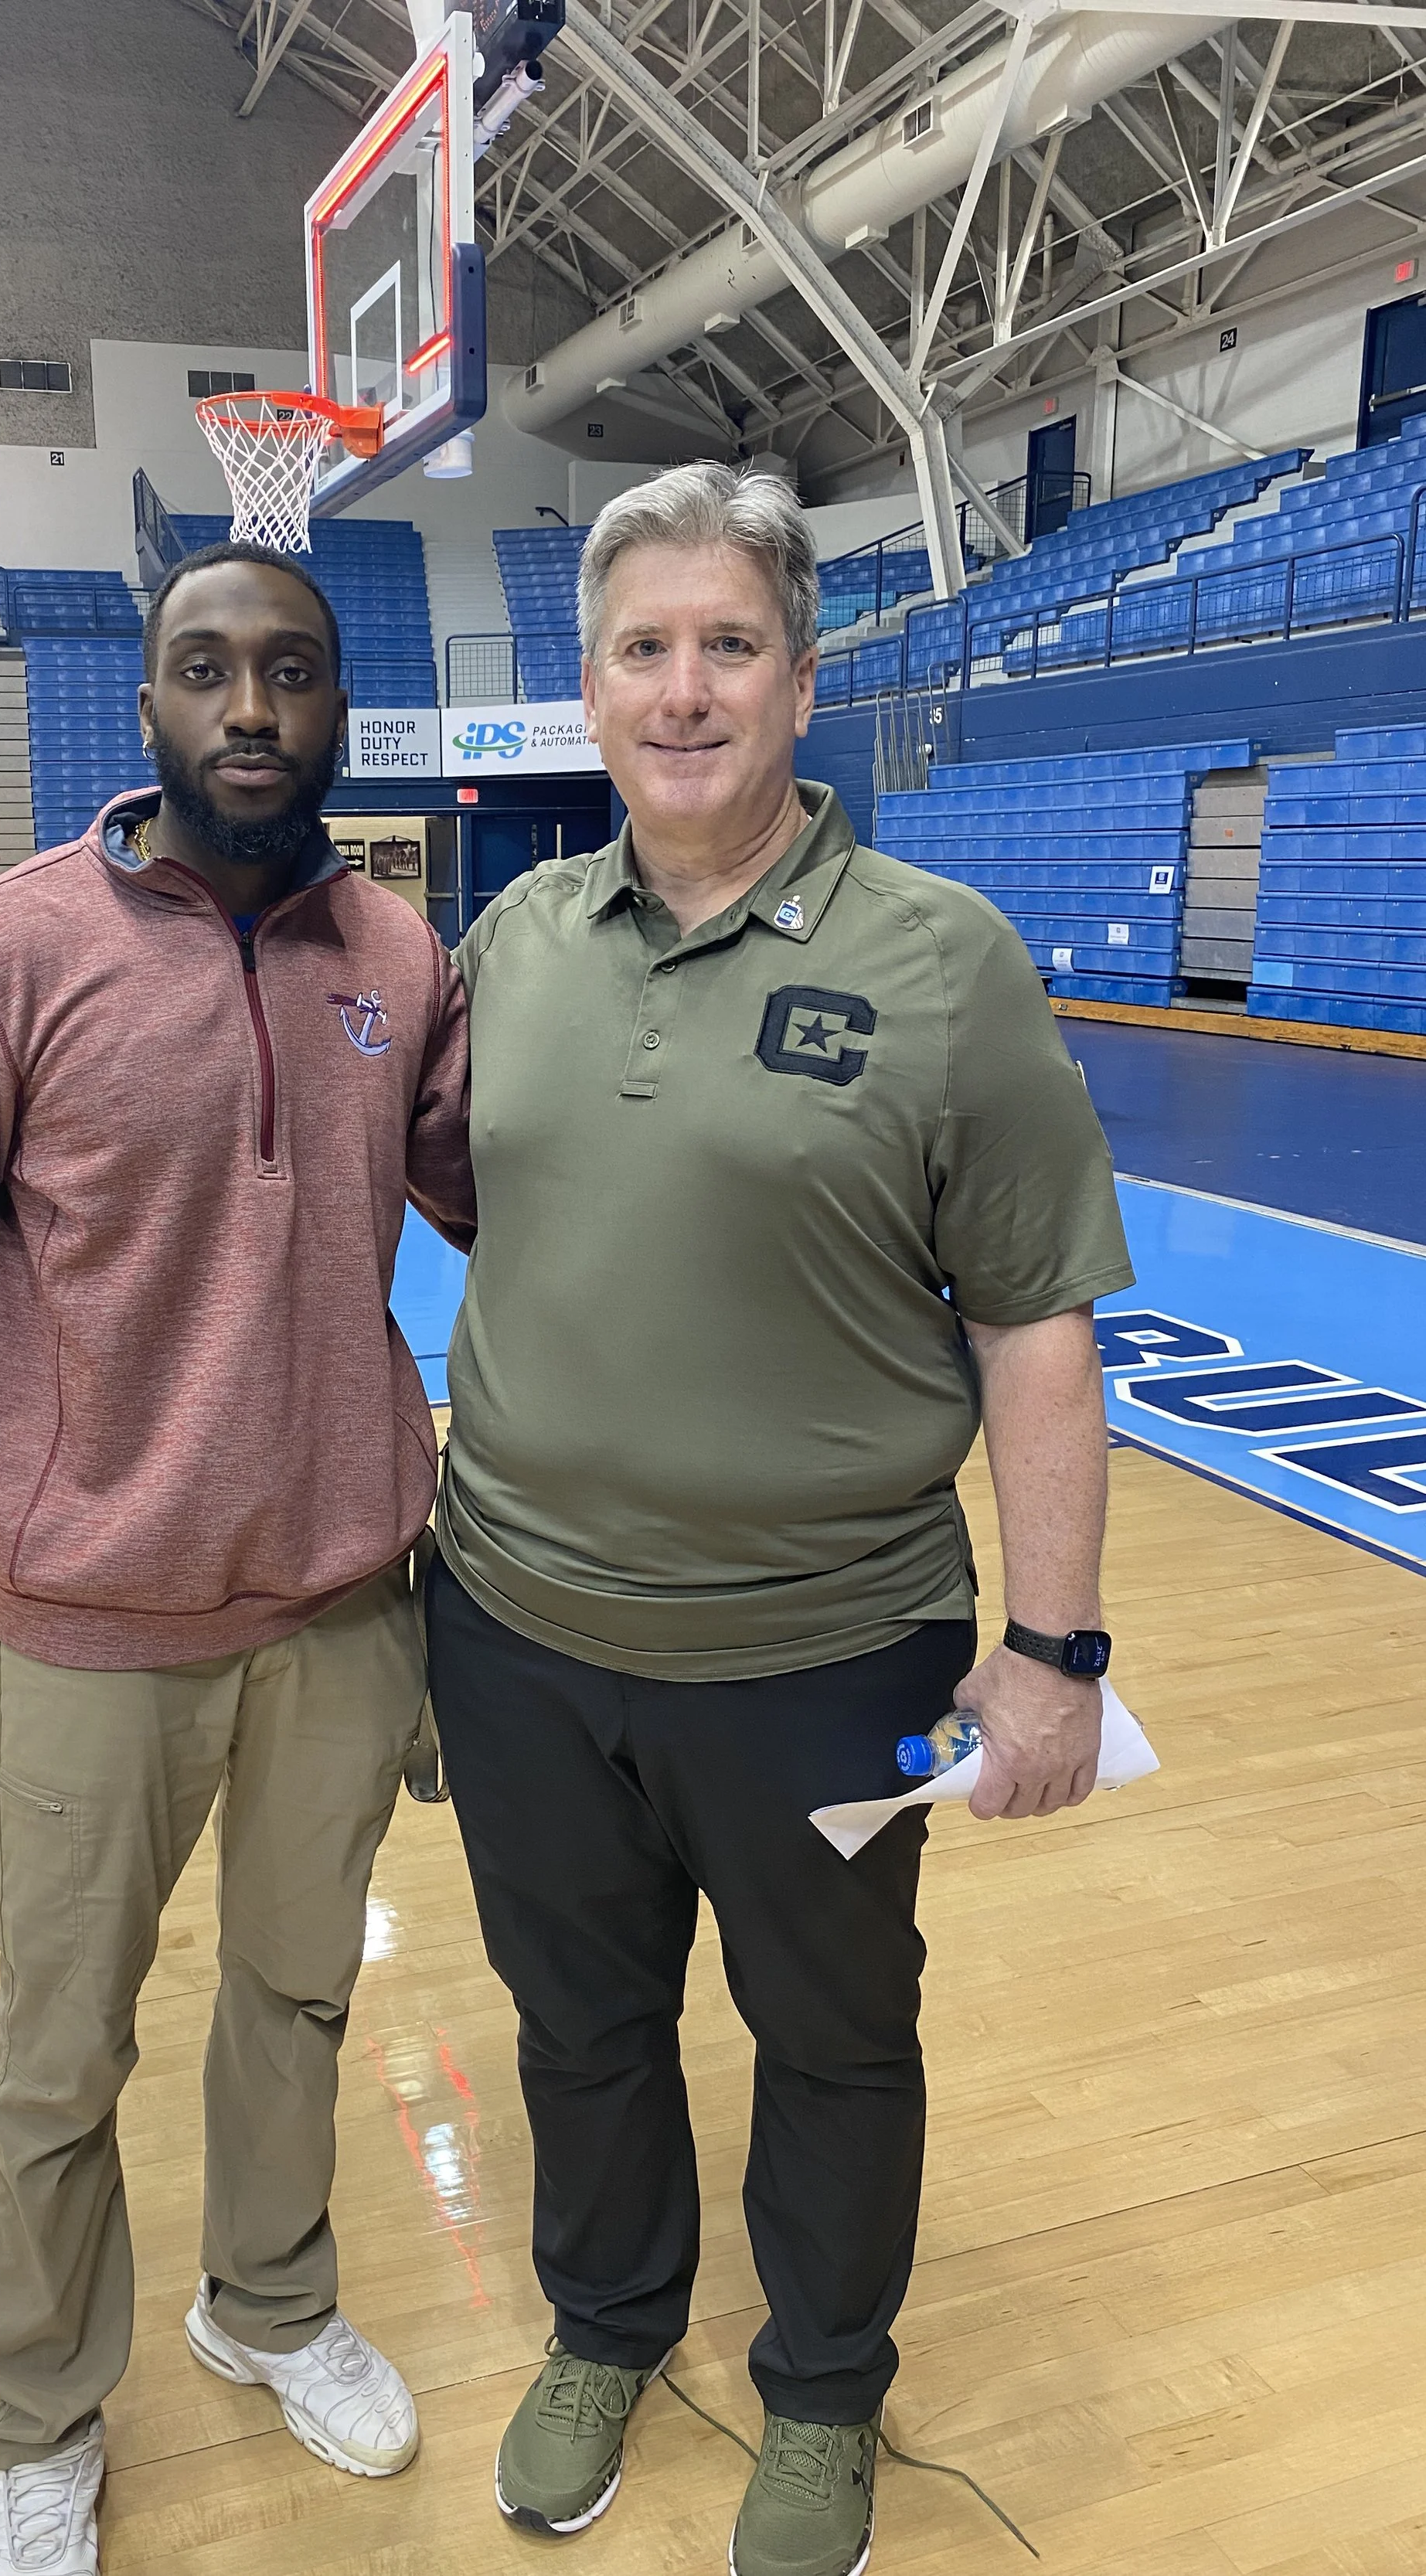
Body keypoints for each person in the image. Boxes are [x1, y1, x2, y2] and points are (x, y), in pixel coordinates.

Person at [424, 462, 1133, 2576]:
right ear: (586, 692)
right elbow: (480, 1223)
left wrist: (1054, 1646)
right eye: (641, 647)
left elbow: (1033, 1332)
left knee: (833, 2039)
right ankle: (606, 2324)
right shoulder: (516, 941)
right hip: (520, 1636)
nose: (683, 685)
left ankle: (822, 2386)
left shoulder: (945, 966)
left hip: (828, 1658)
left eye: (726, 641)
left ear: (802, 681)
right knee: (578, 2026)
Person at [0, 541, 473, 2576]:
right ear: (147, 705)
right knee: (58, 2046)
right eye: (209, 670)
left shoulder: (401, 965)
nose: (253, 710)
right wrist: (92, 1429)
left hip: (345, 1605)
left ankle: (262, 2301)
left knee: (294, 1997)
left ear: (340, 706)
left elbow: (499, 1201)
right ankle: (39, 2412)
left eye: (291, 670)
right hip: (97, 1618)